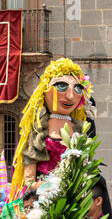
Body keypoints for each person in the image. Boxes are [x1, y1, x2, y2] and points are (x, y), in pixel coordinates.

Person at [9, 58, 94, 197]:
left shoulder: (80, 129)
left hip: (74, 202)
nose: (70, 95)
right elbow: (29, 180)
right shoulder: (38, 130)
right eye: (61, 86)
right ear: (45, 90)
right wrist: (49, 187)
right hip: (43, 202)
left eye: (78, 88)